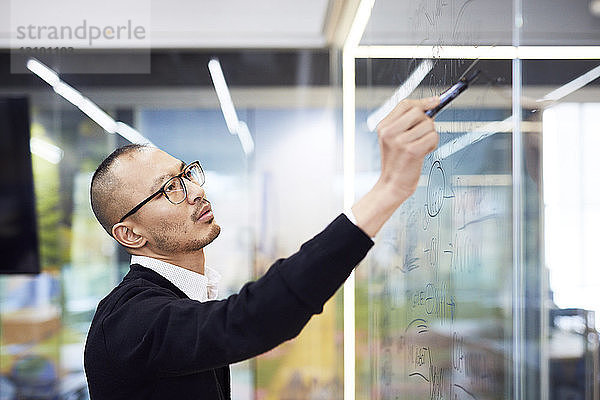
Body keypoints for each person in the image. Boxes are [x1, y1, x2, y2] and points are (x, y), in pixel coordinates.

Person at [83, 96, 440, 400]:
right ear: (130, 235)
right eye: (169, 189)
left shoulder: (183, 297)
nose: (195, 191)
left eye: (186, 174)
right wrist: (389, 188)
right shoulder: (129, 321)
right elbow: (251, 319)